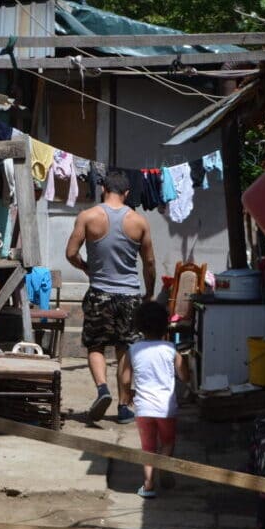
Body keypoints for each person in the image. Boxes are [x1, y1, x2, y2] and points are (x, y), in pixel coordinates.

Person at [66, 171, 156, 424]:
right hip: (130, 296)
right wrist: (149, 292)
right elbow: (149, 262)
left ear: (103, 188)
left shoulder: (88, 216)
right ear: (127, 193)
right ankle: (124, 406)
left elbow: (71, 253)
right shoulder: (138, 221)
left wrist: (85, 266)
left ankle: (102, 389)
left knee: (95, 345)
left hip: (99, 294)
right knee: (125, 348)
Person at [129, 301, 189, 498]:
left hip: (143, 407)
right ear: (165, 325)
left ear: (139, 326)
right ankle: (164, 465)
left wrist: (126, 394)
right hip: (166, 408)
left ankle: (148, 485)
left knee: (148, 448)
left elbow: (123, 376)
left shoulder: (134, 349)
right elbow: (184, 376)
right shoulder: (171, 349)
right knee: (168, 442)